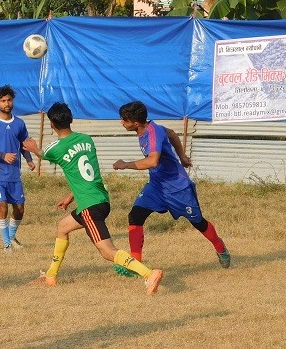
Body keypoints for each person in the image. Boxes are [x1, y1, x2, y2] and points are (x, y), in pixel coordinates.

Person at [23, 102, 164, 294]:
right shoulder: (87, 140)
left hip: (90, 205)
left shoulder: (55, 148)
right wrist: (70, 196)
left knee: (107, 251)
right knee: (63, 227)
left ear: (51, 124)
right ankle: (50, 276)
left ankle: (149, 274)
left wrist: (33, 147)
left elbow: (42, 153)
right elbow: (82, 173)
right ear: (71, 119)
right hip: (100, 200)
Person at [113, 101, 230, 269]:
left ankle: (220, 247)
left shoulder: (154, 132)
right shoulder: (147, 129)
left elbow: (153, 161)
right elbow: (173, 134)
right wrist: (182, 156)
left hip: (177, 188)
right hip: (156, 187)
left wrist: (125, 164)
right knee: (135, 216)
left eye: (124, 120)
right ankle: (135, 264)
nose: (121, 122)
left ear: (135, 122)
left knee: (198, 223)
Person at [0, 85, 36, 252]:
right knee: (2, 205)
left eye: (9, 100)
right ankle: (6, 245)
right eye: (3, 100)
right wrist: (3, 156)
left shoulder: (19, 123)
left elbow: (24, 144)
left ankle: (11, 236)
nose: (7, 103)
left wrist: (30, 160)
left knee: (19, 209)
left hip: (14, 175)